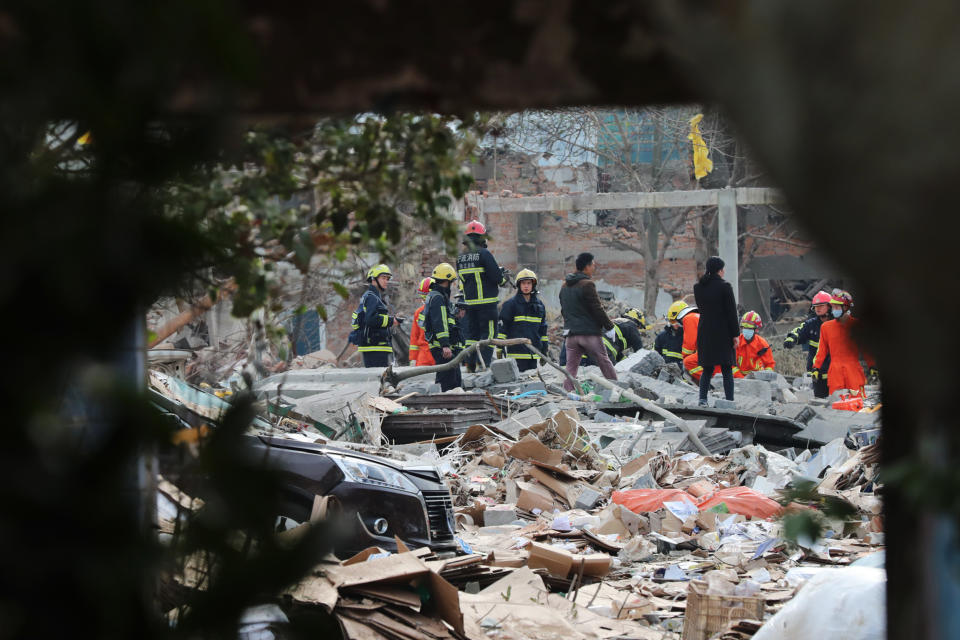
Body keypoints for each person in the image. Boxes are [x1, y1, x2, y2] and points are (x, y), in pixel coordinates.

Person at [558, 252, 618, 391]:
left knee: (571, 368)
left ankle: (568, 393)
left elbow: (564, 310)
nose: (594, 268)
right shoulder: (587, 284)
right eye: (593, 265)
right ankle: (617, 389)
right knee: (604, 361)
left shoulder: (564, 286)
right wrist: (609, 326)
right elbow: (597, 308)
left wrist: (570, 323)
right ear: (586, 266)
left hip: (571, 336)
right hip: (589, 334)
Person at [456, 220, 507, 372]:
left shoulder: (460, 258)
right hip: (487, 304)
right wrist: (504, 277)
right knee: (489, 335)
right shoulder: (484, 254)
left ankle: (470, 366)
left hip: (470, 304)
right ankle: (483, 366)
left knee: (472, 335)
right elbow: (497, 278)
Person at [692, 256, 740, 405]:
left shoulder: (698, 287)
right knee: (726, 368)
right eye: (723, 269)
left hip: (705, 331)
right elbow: (732, 313)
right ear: (719, 270)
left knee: (707, 368)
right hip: (723, 332)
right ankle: (729, 401)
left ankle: (702, 399)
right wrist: (735, 334)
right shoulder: (725, 287)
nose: (724, 271)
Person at [813, 292, 876, 396]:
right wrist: (816, 368)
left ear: (846, 307)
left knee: (858, 404)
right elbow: (822, 350)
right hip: (835, 374)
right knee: (837, 405)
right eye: (833, 307)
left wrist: (872, 366)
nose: (834, 310)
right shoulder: (826, 327)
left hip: (853, 373)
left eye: (836, 307)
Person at [496, 269, 548, 371]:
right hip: (516, 355)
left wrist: (544, 351)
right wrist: (499, 347)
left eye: (529, 283)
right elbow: (502, 328)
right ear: (519, 285)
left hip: (533, 354)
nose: (526, 286)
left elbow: (543, 330)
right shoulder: (510, 304)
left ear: (533, 285)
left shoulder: (539, 306)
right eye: (523, 283)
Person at [421, 263, 463, 391]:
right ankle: (446, 405)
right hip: (442, 347)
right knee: (449, 381)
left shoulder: (436, 296)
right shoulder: (438, 297)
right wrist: (445, 344)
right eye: (451, 281)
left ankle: (446, 403)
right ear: (447, 281)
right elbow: (439, 322)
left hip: (443, 346)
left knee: (451, 378)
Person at [351, 264, 402, 367]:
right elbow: (371, 319)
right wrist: (392, 321)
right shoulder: (372, 297)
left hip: (376, 346)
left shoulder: (373, 296)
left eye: (387, 278)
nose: (386, 281)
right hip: (375, 347)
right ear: (373, 279)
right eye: (383, 278)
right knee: (379, 379)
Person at [784, 290, 832, 397]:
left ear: (829, 306)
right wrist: (792, 339)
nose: (818, 308)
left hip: (833, 373)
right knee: (818, 402)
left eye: (821, 305)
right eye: (815, 306)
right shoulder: (812, 324)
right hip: (816, 374)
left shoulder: (836, 325)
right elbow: (800, 330)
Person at [734, 311, 776, 375]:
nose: (746, 330)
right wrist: (741, 379)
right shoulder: (737, 342)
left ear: (756, 329)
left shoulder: (762, 344)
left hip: (757, 378)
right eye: (744, 327)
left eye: (749, 328)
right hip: (739, 378)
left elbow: (770, 364)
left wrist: (764, 376)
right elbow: (731, 365)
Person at [408, 277, 435, 366]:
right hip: (431, 356)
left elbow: (414, 338)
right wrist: (413, 358)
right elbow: (414, 338)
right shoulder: (419, 312)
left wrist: (413, 358)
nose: (423, 299)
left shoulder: (419, 312)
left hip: (426, 357)